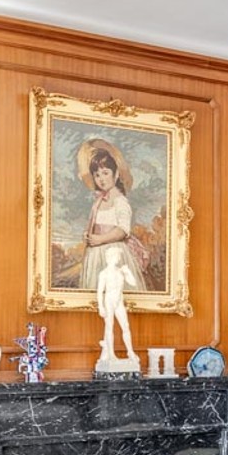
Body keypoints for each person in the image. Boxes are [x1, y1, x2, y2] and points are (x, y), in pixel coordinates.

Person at [77, 140, 146, 366]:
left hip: (112, 252)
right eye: (97, 175)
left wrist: (101, 239)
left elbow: (123, 230)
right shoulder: (98, 202)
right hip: (96, 253)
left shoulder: (120, 201)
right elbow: (94, 224)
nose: (101, 178)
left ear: (116, 175)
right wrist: (89, 237)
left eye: (106, 173)